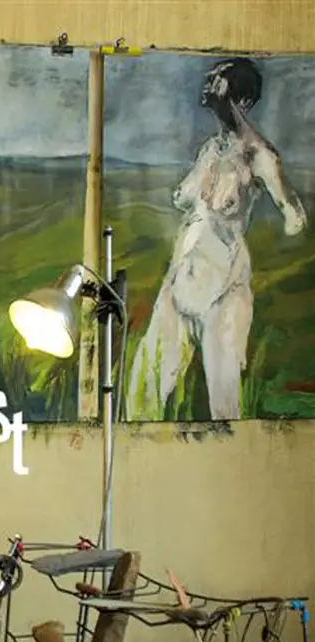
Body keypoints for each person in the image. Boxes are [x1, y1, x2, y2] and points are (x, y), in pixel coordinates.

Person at [126, 57, 308, 421]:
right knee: (144, 389)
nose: (209, 81)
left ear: (242, 98)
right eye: (211, 76)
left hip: (224, 288)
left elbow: (295, 217)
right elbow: (181, 197)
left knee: (224, 403)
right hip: (182, 279)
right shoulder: (210, 150)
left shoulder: (259, 156)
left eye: (220, 78)